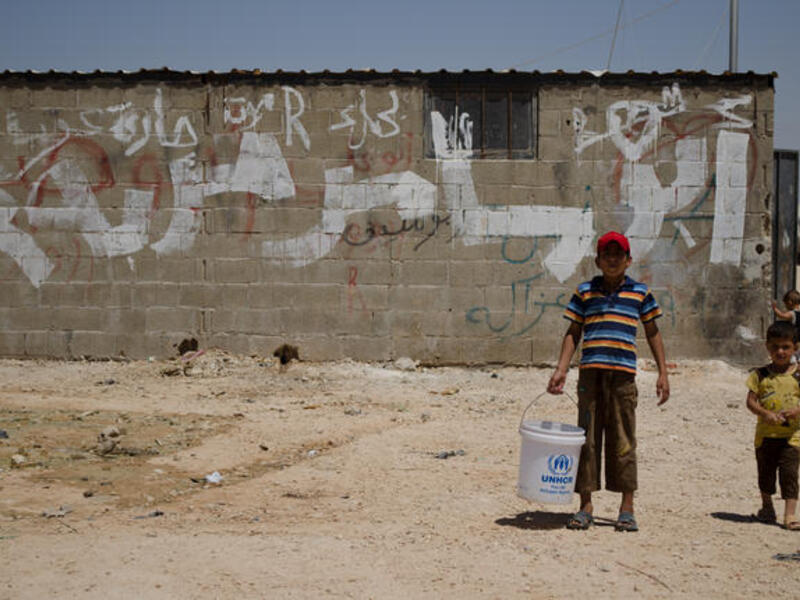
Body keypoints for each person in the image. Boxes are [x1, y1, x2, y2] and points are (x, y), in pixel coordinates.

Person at [547, 231, 670, 532]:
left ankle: (626, 508)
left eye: (619, 254)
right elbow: (574, 332)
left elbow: (652, 332)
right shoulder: (585, 292)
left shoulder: (640, 293)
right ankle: (585, 505)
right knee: (586, 439)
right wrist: (561, 368)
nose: (613, 259)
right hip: (591, 375)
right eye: (607, 254)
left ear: (628, 260)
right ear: (598, 260)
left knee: (624, 440)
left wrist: (663, 373)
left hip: (623, 377)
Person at [745, 319, 800, 530]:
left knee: (789, 474)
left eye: (785, 347)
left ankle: (790, 515)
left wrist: (796, 411)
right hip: (765, 436)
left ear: (795, 347)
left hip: (792, 437)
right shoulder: (760, 375)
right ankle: (767, 507)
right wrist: (764, 413)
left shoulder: (798, 375)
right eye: (775, 347)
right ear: (768, 347)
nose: (780, 351)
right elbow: (750, 402)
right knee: (766, 474)